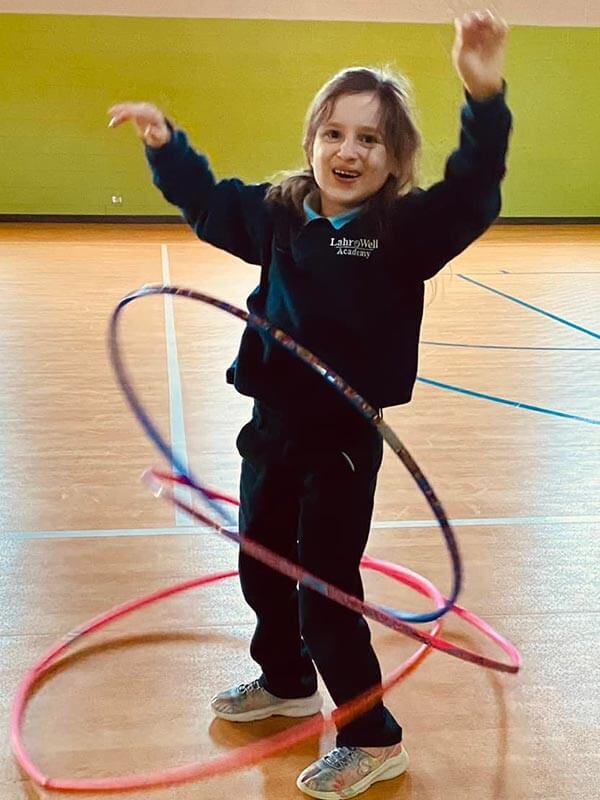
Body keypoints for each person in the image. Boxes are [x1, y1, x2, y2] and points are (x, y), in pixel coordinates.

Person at [109, 10, 511, 798]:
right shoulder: (283, 214)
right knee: (261, 563)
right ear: (311, 142)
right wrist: (166, 145)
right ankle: (285, 681)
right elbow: (210, 204)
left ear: (395, 159)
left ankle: (371, 736)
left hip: (341, 440)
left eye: (369, 139)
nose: (348, 151)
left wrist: (483, 92)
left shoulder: (405, 229)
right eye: (334, 134)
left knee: (323, 591)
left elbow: (473, 191)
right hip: (272, 428)